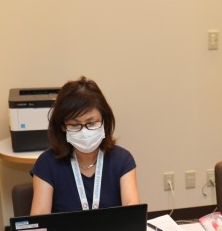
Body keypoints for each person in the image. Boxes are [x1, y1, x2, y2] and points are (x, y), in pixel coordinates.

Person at [30, 76, 140, 215]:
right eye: (75, 125)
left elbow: (132, 215)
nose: (84, 131)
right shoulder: (47, 164)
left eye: (91, 123)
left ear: (104, 122)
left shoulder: (122, 160)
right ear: (63, 126)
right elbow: (39, 222)